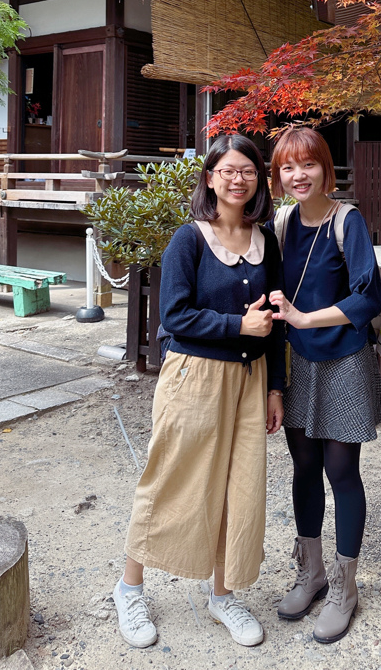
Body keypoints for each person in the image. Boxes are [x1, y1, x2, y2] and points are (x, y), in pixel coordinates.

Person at [113, 135, 285, 649]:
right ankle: (129, 588)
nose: (239, 179)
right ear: (210, 177)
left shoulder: (265, 240)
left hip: (251, 382)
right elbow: (174, 317)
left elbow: (271, 321)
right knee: (170, 478)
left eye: (249, 171)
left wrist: (276, 386)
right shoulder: (189, 239)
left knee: (241, 487)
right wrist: (238, 326)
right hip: (195, 375)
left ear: (259, 180)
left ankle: (223, 594)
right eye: (229, 170)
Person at [268, 126, 381, 644]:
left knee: (341, 470)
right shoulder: (280, 222)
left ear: (326, 168)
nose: (299, 175)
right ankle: (311, 572)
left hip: (342, 359)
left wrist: (304, 319)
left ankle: (345, 587)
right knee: (304, 468)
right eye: (287, 168)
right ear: (277, 177)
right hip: (297, 363)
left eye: (308, 165)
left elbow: (369, 296)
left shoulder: (348, 221)